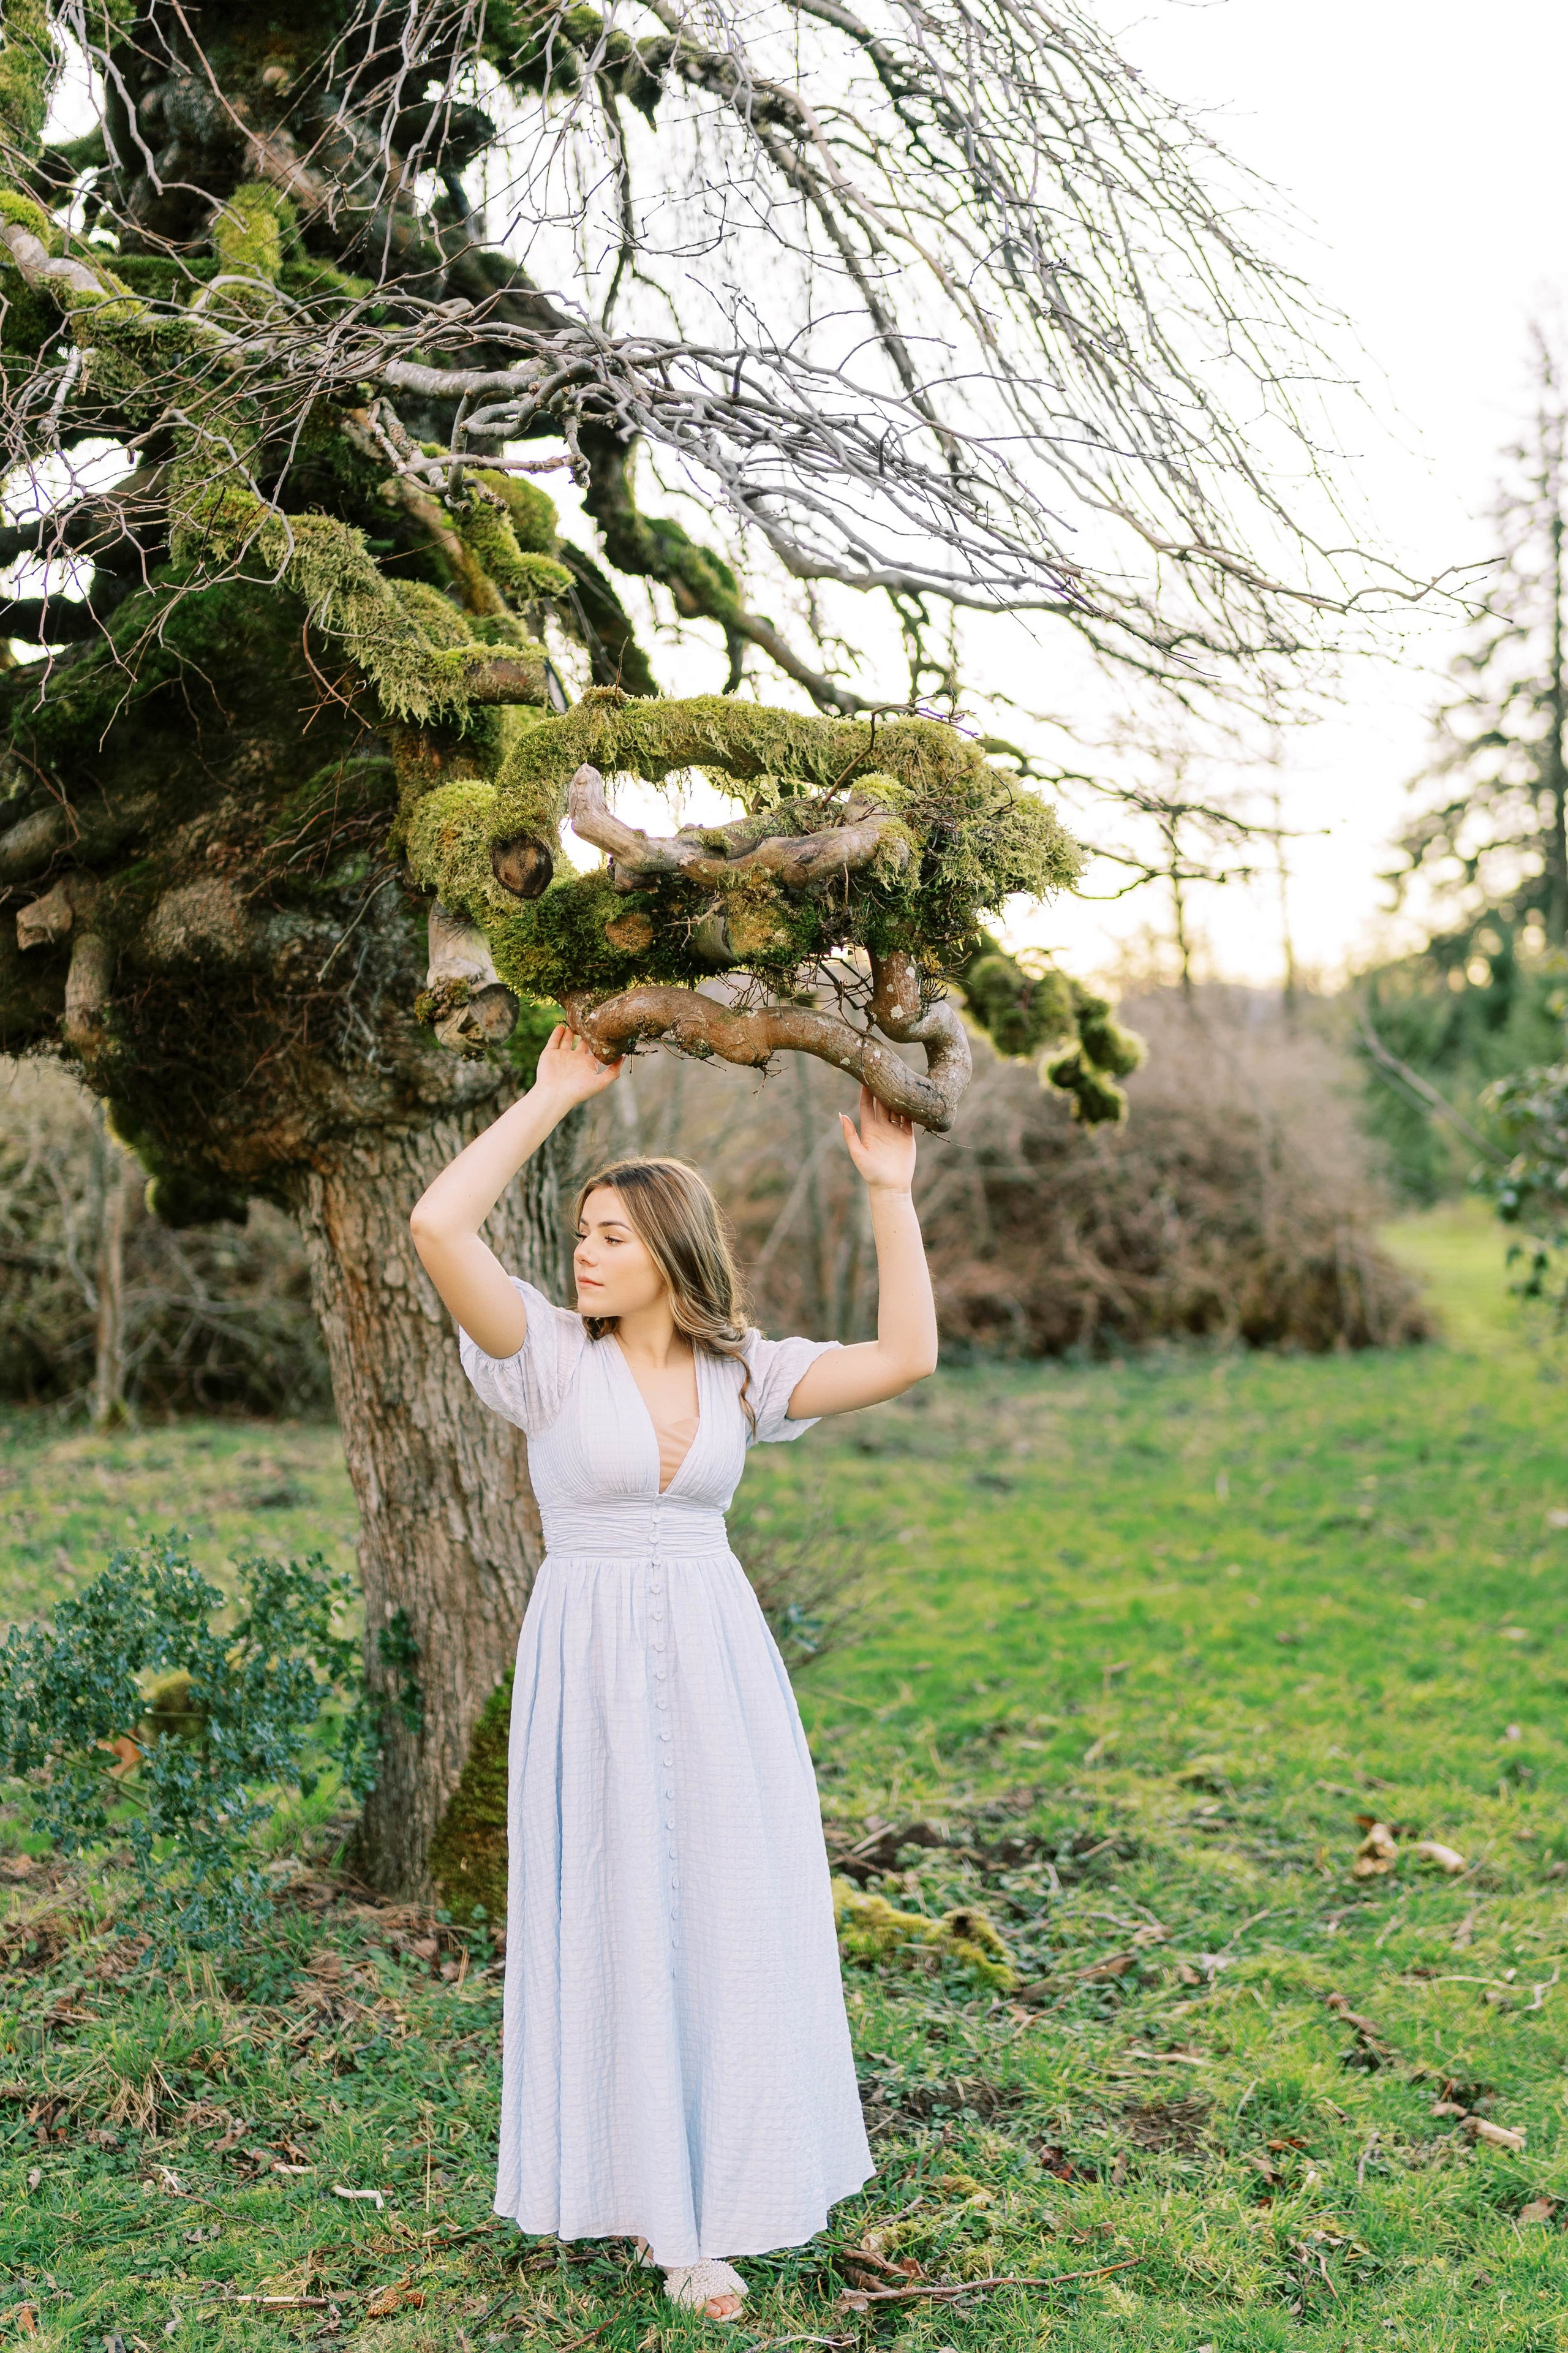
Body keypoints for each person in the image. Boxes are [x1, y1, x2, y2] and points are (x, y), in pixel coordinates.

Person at [409, 1026, 939, 2323]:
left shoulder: (739, 1371)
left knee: (719, 1901)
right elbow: (436, 1224)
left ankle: (736, 2182)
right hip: (584, 1661)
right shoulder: (542, 1355)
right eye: (580, 1231)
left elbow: (907, 1355)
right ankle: (653, 2206)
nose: (582, 1252)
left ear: (669, 1254)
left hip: (715, 1662)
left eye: (608, 1235)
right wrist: (551, 1092)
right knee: (613, 1904)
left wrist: (887, 1189)